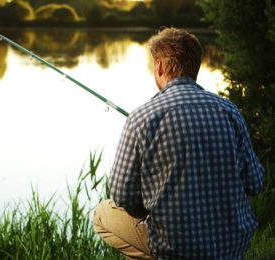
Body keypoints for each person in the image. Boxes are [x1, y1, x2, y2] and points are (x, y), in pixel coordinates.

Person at [93, 27, 265, 259]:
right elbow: (255, 182)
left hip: (175, 249)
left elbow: (123, 196)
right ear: (196, 66)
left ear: (160, 66)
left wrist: (152, 203)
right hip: (232, 247)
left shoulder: (142, 117)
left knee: (102, 215)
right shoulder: (229, 111)